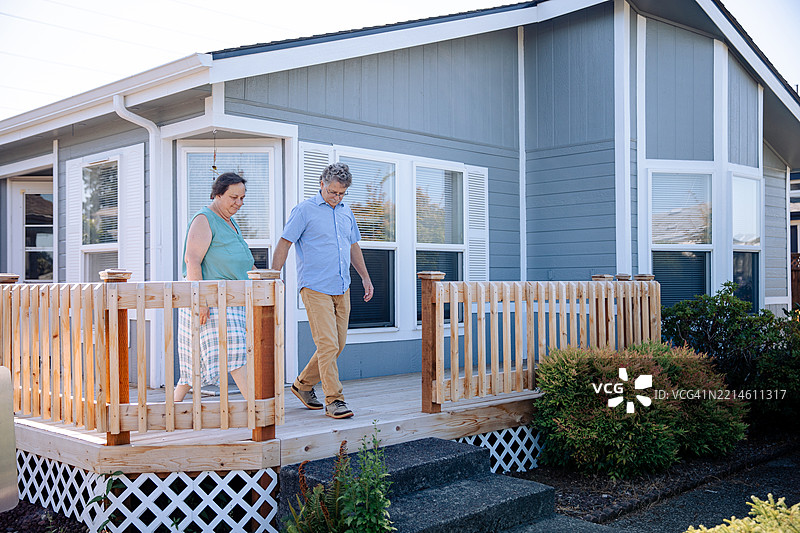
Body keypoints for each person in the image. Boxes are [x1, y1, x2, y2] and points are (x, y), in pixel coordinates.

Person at [271, 162, 373, 419]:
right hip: (315, 287)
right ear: (322, 185)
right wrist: (272, 276)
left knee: (337, 345)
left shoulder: (346, 212)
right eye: (332, 192)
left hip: (342, 286)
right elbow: (285, 243)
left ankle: (303, 385)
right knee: (327, 344)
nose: (336, 198)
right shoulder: (304, 210)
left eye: (341, 193)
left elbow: (353, 247)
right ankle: (335, 400)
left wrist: (365, 277)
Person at [175, 172, 255, 402]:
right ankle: (255, 406)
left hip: (233, 299)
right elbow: (192, 260)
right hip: (211, 299)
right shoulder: (205, 219)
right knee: (235, 351)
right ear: (218, 194)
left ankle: (172, 404)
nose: (238, 203)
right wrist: (199, 301)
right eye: (233, 197)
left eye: (242, 198)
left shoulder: (230, 222)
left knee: (194, 363)